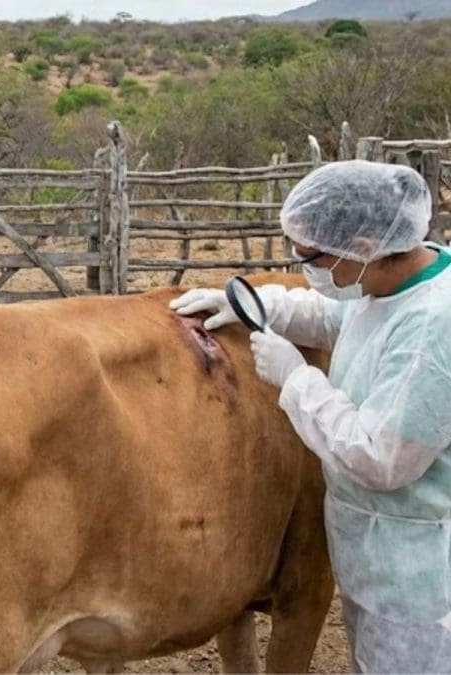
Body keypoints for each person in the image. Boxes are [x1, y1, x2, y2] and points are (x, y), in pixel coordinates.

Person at [171, 160, 451, 673]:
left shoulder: (433, 329)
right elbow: (330, 314)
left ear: (363, 248)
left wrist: (297, 379)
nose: (309, 270)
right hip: (380, 552)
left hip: (419, 574)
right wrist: (255, 304)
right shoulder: (392, 281)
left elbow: (380, 458)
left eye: (313, 257)